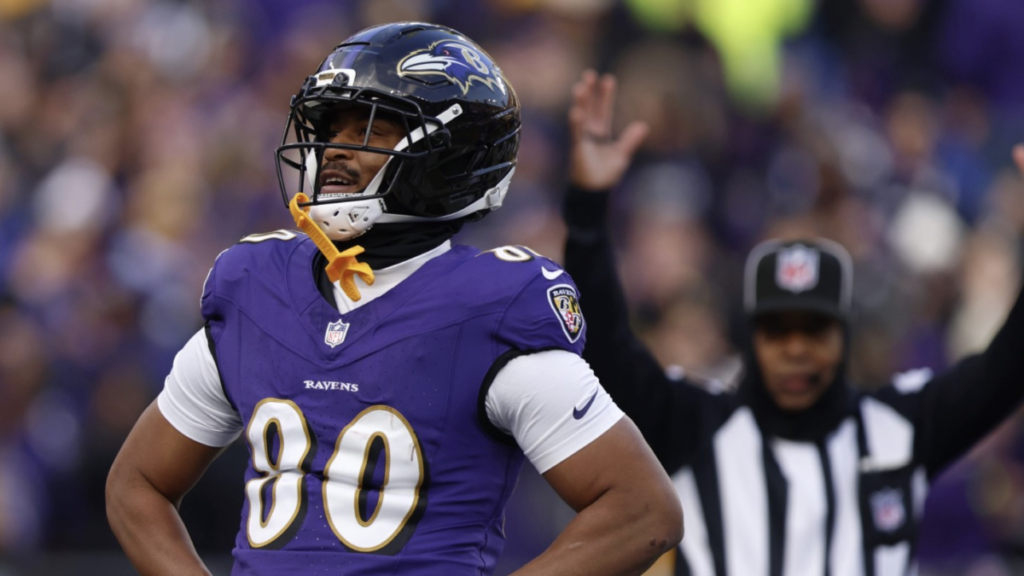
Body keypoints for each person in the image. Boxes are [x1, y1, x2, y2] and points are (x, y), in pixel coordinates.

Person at [105, 24, 682, 576]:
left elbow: (642, 512)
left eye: (368, 131)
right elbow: (137, 483)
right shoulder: (258, 290)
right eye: (330, 128)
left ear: (447, 158)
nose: (333, 151)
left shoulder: (488, 310)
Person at [561, 69, 1024, 576]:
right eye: (777, 331)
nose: (797, 348)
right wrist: (587, 213)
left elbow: (1005, 370)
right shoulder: (694, 425)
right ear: (751, 337)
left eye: (814, 329)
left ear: (843, 336)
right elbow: (605, 348)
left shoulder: (898, 428)